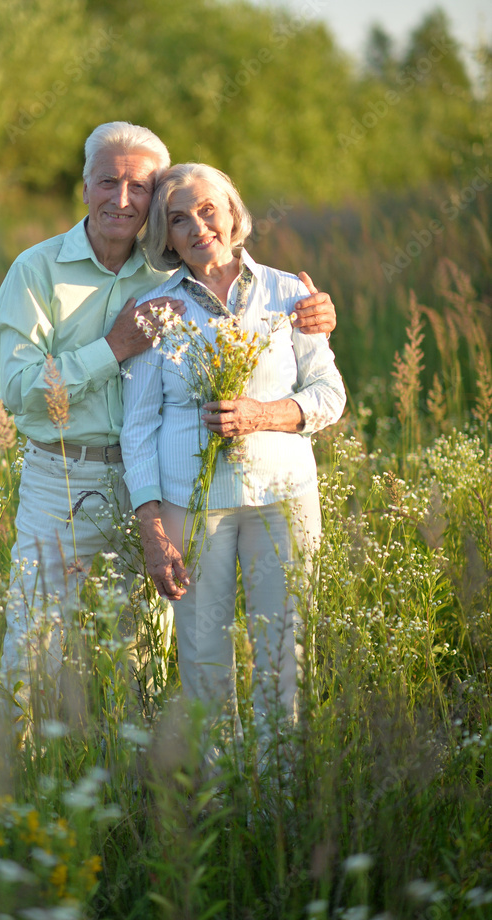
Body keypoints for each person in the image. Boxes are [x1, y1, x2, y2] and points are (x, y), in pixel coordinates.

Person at [0, 124, 337, 727]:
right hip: (61, 478)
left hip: (157, 486)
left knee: (142, 656)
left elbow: (303, 365)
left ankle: (139, 793)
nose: (121, 198)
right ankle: (8, 790)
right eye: (108, 181)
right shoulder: (36, 270)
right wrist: (114, 345)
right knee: (33, 644)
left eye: (139, 185)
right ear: (84, 188)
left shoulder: (177, 274)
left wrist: (316, 315)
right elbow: (19, 392)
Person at [120, 163, 346, 755]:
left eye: (207, 209)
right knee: (202, 655)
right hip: (191, 509)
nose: (198, 226)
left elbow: (328, 394)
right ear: (165, 238)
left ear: (233, 212)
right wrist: (152, 530)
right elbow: (138, 428)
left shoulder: (290, 293)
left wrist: (260, 414)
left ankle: (278, 805)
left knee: (283, 650)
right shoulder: (155, 310)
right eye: (178, 219)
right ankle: (219, 803)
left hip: (283, 497)